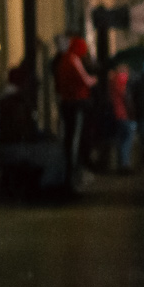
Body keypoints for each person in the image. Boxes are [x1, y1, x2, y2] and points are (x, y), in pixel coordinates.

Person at [53, 34, 95, 181]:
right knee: (76, 136)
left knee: (70, 135)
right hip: (77, 102)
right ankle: (74, 169)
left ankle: (71, 169)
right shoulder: (73, 59)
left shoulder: (64, 60)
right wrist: (95, 80)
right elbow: (85, 80)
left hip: (67, 101)